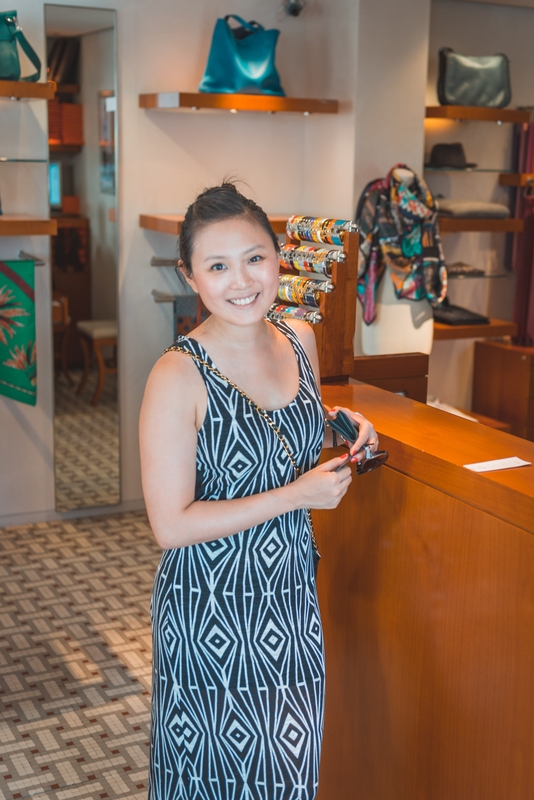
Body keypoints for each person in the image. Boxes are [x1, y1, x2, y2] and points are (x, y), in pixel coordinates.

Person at [139, 183, 378, 800]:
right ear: (192, 278)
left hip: (290, 597)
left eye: (255, 257)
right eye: (217, 266)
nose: (241, 279)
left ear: (277, 259)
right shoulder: (176, 375)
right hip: (209, 608)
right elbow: (171, 525)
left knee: (289, 772)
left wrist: (339, 421)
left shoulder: (300, 338)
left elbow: (286, 421)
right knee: (213, 777)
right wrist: (295, 497)